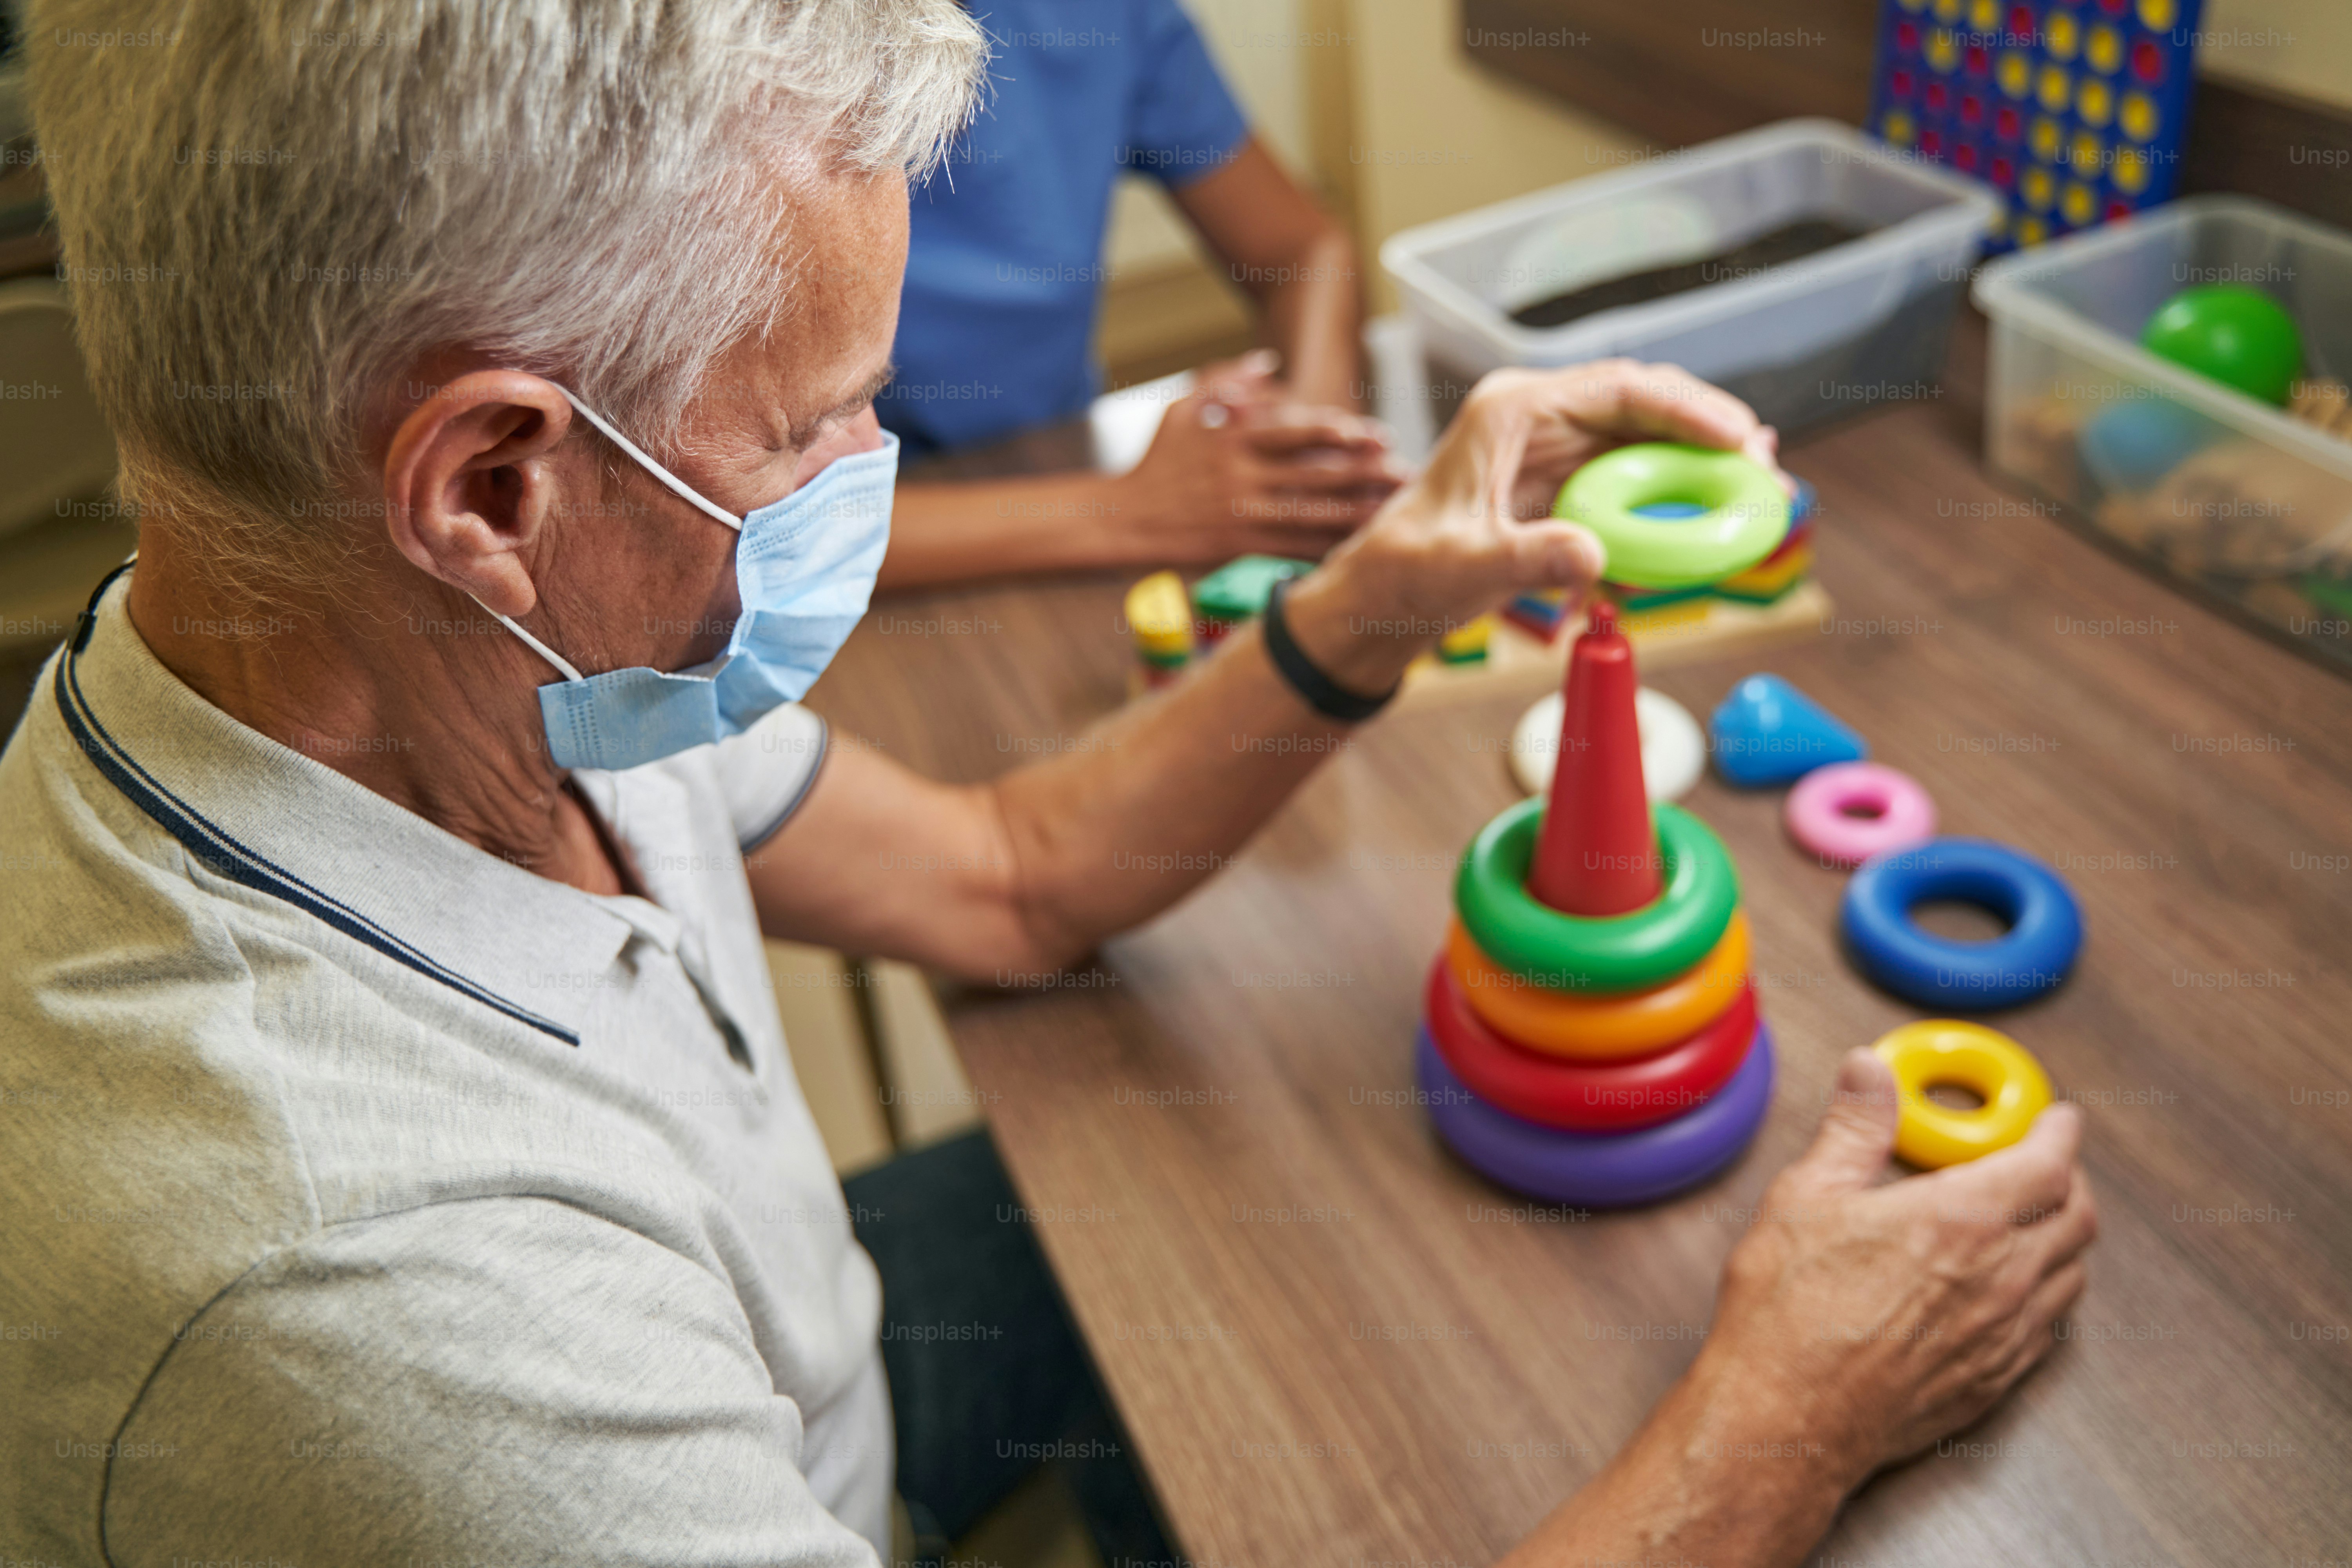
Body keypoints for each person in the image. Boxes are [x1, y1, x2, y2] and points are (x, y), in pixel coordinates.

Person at [0, 3, 2094, 1565]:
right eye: (827, 418)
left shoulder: (496, 667)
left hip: (806, 1340)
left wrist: (1371, 604)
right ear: (495, 483)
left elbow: (1007, 879)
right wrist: (1779, 1430)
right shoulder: (374, 1308)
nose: (868, 479)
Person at [874, 0, 1405, 587]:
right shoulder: (774, 56)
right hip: (859, 550)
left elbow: (1305, 251)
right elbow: (761, 550)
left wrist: (1308, 446)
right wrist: (1132, 511)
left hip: (1056, 464)